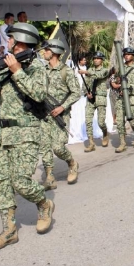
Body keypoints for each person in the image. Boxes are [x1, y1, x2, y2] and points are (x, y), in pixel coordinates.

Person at [0, 23, 54, 250]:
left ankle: (44, 204)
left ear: (19, 40)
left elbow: (38, 94)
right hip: (2, 133)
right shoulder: (4, 65)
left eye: (10, 38)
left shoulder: (37, 67)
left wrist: (17, 70)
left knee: (21, 182)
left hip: (26, 131)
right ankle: (9, 230)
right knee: (1, 184)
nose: (7, 42)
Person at [40, 39, 81, 190]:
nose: (44, 52)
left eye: (46, 49)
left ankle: (72, 163)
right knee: (44, 147)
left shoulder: (66, 71)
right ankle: (49, 177)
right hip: (44, 115)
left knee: (57, 147)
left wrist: (63, 107)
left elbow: (77, 92)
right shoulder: (43, 70)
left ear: (54, 52)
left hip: (60, 115)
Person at [111, 46, 134, 153]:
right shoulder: (121, 67)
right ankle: (122, 143)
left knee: (133, 121)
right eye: (125, 54)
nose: (126, 56)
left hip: (132, 98)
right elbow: (115, 77)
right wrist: (115, 82)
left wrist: (129, 88)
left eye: (128, 54)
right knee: (119, 122)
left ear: (133, 56)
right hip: (121, 98)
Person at [78, 52, 110, 152]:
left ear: (102, 60)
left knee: (101, 122)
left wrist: (86, 72)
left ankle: (105, 133)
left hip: (100, 98)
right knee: (88, 121)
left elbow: (99, 75)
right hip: (90, 99)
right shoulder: (89, 70)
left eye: (98, 58)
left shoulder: (105, 70)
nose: (95, 60)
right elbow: (85, 84)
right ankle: (91, 143)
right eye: (94, 58)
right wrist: (86, 92)